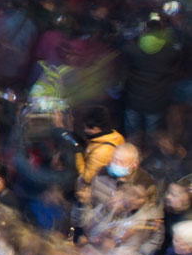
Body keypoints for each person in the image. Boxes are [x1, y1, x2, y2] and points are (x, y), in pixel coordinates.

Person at [122, 13, 180, 143]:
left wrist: (137, 36)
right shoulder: (170, 53)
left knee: (132, 134)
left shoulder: (132, 49)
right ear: (161, 32)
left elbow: (122, 48)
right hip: (156, 100)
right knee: (153, 135)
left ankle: (131, 155)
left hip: (133, 98)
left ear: (145, 30)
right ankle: (149, 157)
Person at [76, 105, 125, 186]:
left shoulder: (101, 152)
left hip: (97, 186)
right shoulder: (116, 136)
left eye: (87, 128)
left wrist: (77, 155)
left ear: (96, 129)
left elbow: (87, 178)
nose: (85, 130)